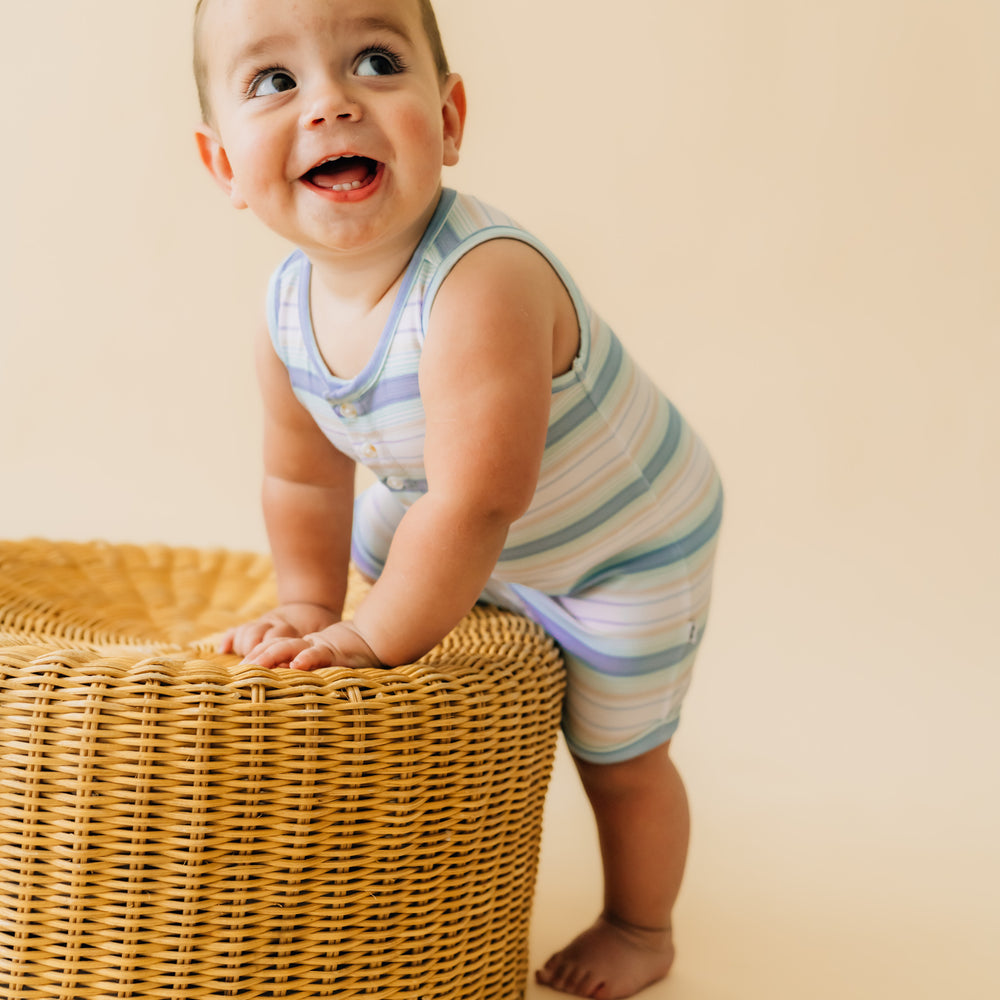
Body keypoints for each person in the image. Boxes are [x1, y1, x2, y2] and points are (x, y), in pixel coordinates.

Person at [193, 0, 722, 996]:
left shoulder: (482, 283)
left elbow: (483, 499)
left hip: (622, 540)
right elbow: (302, 475)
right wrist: (311, 604)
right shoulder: (282, 312)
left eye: (376, 61)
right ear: (223, 165)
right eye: (275, 82)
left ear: (448, 119)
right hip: (450, 494)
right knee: (381, 538)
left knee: (619, 753)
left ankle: (641, 922)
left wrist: (374, 636)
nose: (331, 105)